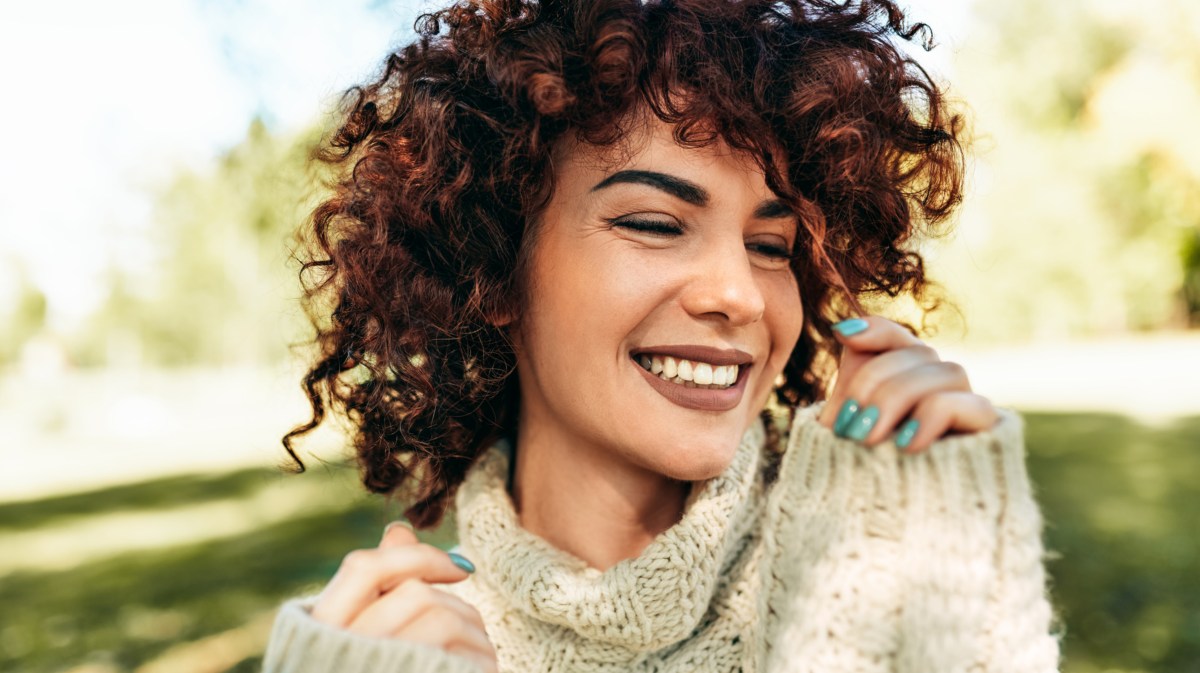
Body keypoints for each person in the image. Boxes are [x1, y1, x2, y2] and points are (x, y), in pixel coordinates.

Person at [263, 0, 1060, 671]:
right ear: (496, 269)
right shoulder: (395, 646)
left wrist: (941, 572)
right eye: (654, 223)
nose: (739, 294)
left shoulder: (876, 545)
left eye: (771, 246)